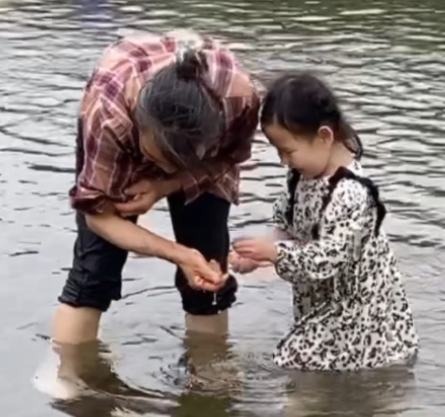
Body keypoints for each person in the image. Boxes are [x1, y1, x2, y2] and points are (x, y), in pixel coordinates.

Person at [52, 30, 260, 346]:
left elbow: (231, 158)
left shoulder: (239, 99)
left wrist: (168, 185)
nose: (163, 170)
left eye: (177, 163)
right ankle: (69, 377)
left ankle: (210, 376)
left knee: (208, 266)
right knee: (94, 270)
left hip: (203, 160)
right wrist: (178, 254)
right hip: (118, 109)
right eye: (156, 159)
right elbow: (97, 215)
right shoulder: (109, 114)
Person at [231, 73, 418, 372]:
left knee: (292, 362)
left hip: (359, 313)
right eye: (278, 151)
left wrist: (275, 254)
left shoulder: (353, 193)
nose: (283, 161)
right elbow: (286, 225)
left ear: (324, 137)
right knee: (306, 375)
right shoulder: (300, 176)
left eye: (288, 151)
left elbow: (325, 260)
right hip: (322, 305)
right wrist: (258, 255)